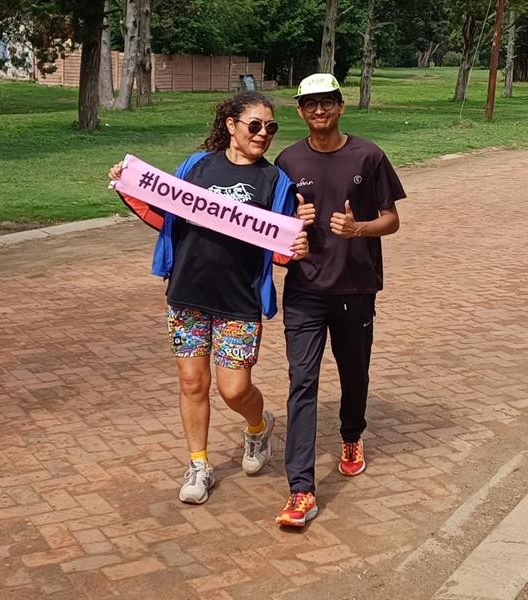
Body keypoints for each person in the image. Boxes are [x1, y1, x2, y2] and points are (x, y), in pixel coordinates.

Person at [108, 91, 308, 505]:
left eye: (271, 127)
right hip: (187, 293)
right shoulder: (197, 167)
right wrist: (128, 187)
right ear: (231, 125)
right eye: (255, 125)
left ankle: (257, 425)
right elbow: (166, 214)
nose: (264, 134)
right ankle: (198, 464)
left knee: (234, 390)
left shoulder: (275, 181)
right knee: (192, 382)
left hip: (239, 298)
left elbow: (283, 244)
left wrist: (297, 247)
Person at [273, 74, 406, 527]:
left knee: (354, 372)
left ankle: (351, 435)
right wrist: (293, 221)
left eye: (327, 102)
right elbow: (270, 225)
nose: (319, 111)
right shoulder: (287, 161)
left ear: (341, 106)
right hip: (304, 289)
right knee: (302, 382)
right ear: (300, 112)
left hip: (355, 286)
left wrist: (359, 229)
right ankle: (301, 489)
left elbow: (392, 220)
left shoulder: (367, 155)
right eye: (310, 105)